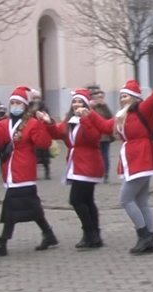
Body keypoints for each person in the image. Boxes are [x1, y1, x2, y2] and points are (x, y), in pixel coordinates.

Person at [90, 74, 153, 255]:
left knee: (125, 199)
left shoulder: (144, 109)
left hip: (143, 158)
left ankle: (144, 236)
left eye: (125, 96)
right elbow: (105, 126)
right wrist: (88, 114)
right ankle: (150, 239)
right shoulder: (121, 116)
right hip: (133, 160)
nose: (122, 99)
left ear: (134, 97)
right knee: (141, 201)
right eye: (120, 96)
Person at [0, 86, 59, 257]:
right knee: (32, 207)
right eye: (13, 103)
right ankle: (49, 234)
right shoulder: (4, 123)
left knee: (11, 206)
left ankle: (2, 243)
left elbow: (43, 144)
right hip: (9, 170)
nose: (15, 106)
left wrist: (42, 125)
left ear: (25, 106)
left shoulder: (31, 123)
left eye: (18, 103)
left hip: (24, 170)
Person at [52, 88, 105, 249]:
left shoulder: (90, 118)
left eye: (80, 102)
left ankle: (89, 233)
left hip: (89, 164)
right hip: (77, 165)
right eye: (74, 101)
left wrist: (85, 119)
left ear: (86, 105)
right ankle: (94, 235)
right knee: (87, 200)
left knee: (75, 199)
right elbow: (58, 132)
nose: (76, 104)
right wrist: (47, 122)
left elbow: (94, 138)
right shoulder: (69, 119)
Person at [90, 89, 115, 184]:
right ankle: (96, 173)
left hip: (104, 137)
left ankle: (106, 174)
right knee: (95, 156)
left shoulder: (104, 107)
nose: (100, 99)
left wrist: (104, 106)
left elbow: (111, 117)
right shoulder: (91, 107)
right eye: (97, 97)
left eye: (101, 97)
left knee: (105, 155)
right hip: (94, 135)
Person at [28, 88, 53, 180]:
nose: (36, 99)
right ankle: (34, 173)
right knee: (34, 155)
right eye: (34, 98)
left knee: (45, 154)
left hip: (43, 132)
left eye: (37, 97)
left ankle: (47, 172)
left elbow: (48, 119)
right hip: (33, 133)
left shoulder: (44, 107)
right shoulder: (29, 107)